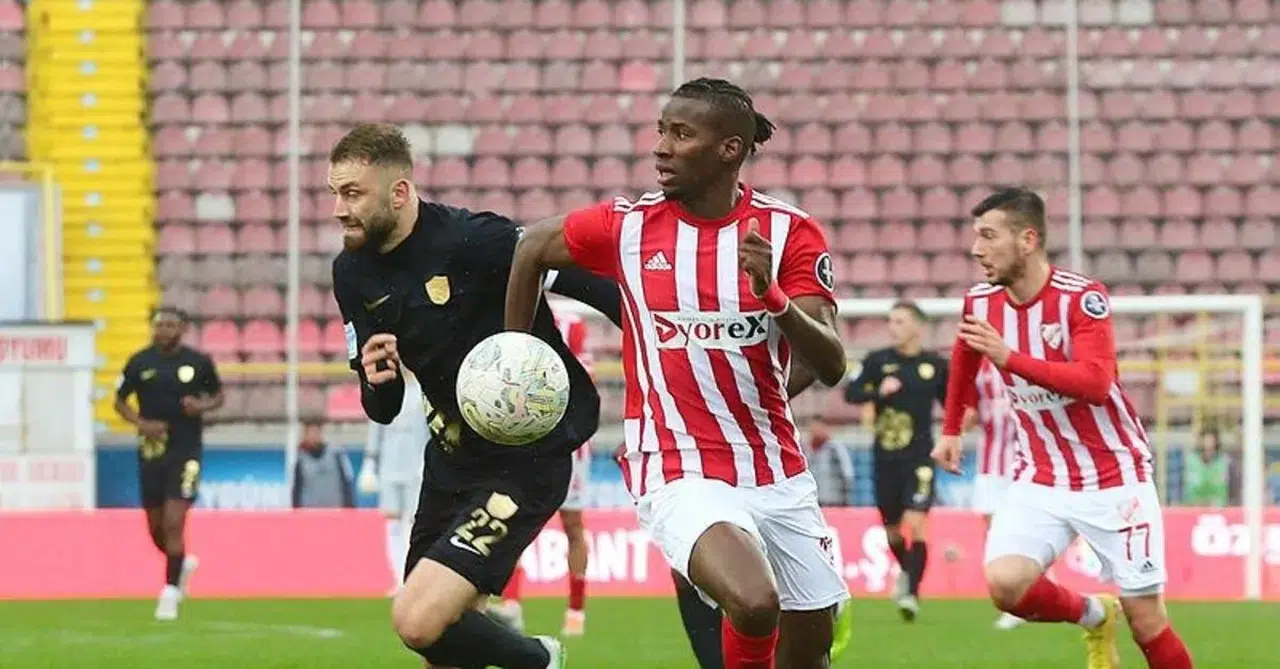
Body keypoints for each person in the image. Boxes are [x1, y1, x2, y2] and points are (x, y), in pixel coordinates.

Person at [505, 77, 850, 669]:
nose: (661, 147)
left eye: (681, 134)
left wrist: (772, 297)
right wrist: (517, 355)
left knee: (808, 652)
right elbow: (531, 246)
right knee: (754, 601)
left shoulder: (789, 232)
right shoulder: (628, 227)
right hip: (674, 464)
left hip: (775, 468)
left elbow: (832, 363)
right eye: (661, 131)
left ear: (730, 149)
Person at [328, 123, 622, 669]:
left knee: (417, 619)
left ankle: (540, 660)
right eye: (335, 194)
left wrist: (657, 352)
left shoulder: (473, 240)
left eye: (352, 194)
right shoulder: (351, 273)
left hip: (526, 459)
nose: (339, 209)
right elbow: (382, 409)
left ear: (399, 192)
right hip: (451, 462)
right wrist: (377, 379)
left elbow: (596, 287)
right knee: (437, 643)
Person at [934, 186, 1194, 669]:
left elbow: (1095, 382)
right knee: (1006, 585)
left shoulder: (1081, 298)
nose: (976, 249)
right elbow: (966, 355)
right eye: (976, 237)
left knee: (1147, 622)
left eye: (989, 236)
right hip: (1041, 475)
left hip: (1113, 477)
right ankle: (1096, 615)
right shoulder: (980, 301)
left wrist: (1010, 358)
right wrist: (952, 428)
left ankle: (1120, 617)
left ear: (1028, 239)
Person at [113, 306, 224, 621]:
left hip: (186, 450)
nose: (163, 330)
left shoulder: (198, 362)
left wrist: (201, 405)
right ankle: (181, 563)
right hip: (151, 450)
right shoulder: (139, 362)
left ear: (182, 329)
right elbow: (119, 401)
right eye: (159, 324)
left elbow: (218, 395)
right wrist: (141, 423)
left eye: (170, 325)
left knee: (175, 521)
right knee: (156, 527)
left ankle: (170, 592)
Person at [490, 305, 594, 637]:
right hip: (528, 438)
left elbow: (583, 379)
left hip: (570, 442)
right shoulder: (515, 311)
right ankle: (511, 603)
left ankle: (576, 611)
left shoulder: (571, 323)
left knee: (572, 524)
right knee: (515, 520)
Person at [842, 300, 948, 621]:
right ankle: (907, 573)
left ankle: (911, 595)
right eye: (891, 321)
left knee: (916, 523)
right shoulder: (877, 361)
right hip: (885, 458)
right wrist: (878, 393)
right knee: (892, 533)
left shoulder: (935, 365)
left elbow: (951, 405)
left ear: (918, 326)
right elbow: (850, 393)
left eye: (900, 321)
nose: (893, 327)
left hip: (920, 457)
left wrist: (955, 432)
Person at [964, 358, 1026, 630]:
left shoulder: (1023, 356)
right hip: (991, 462)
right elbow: (968, 412)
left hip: (1026, 460)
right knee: (994, 531)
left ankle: (1026, 594)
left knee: (1022, 529)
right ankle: (1015, 597)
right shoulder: (978, 365)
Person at [358, 371, 429, 595]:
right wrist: (370, 462)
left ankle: (412, 578)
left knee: (412, 522)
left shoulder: (424, 392)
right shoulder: (388, 390)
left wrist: (428, 461)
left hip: (416, 466)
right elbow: (376, 427)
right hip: (389, 467)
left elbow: (429, 429)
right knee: (393, 523)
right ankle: (398, 577)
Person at [292, 419, 356, 509]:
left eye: (315, 432)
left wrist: (350, 507)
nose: (313, 436)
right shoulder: (301, 460)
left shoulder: (336, 455)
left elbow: (346, 482)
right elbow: (297, 490)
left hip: (336, 510)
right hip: (310, 512)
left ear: (321, 433)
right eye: (309, 433)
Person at [803, 417, 854, 507]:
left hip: (834, 502)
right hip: (814, 501)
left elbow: (847, 474)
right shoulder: (805, 450)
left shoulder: (835, 449)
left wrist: (845, 498)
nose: (815, 431)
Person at [1182, 427, 1233, 507]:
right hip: (1194, 506)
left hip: (1218, 507)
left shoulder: (1224, 461)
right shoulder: (1191, 460)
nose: (1208, 446)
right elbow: (1188, 490)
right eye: (1205, 442)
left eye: (1211, 442)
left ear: (1216, 443)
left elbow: (1227, 490)